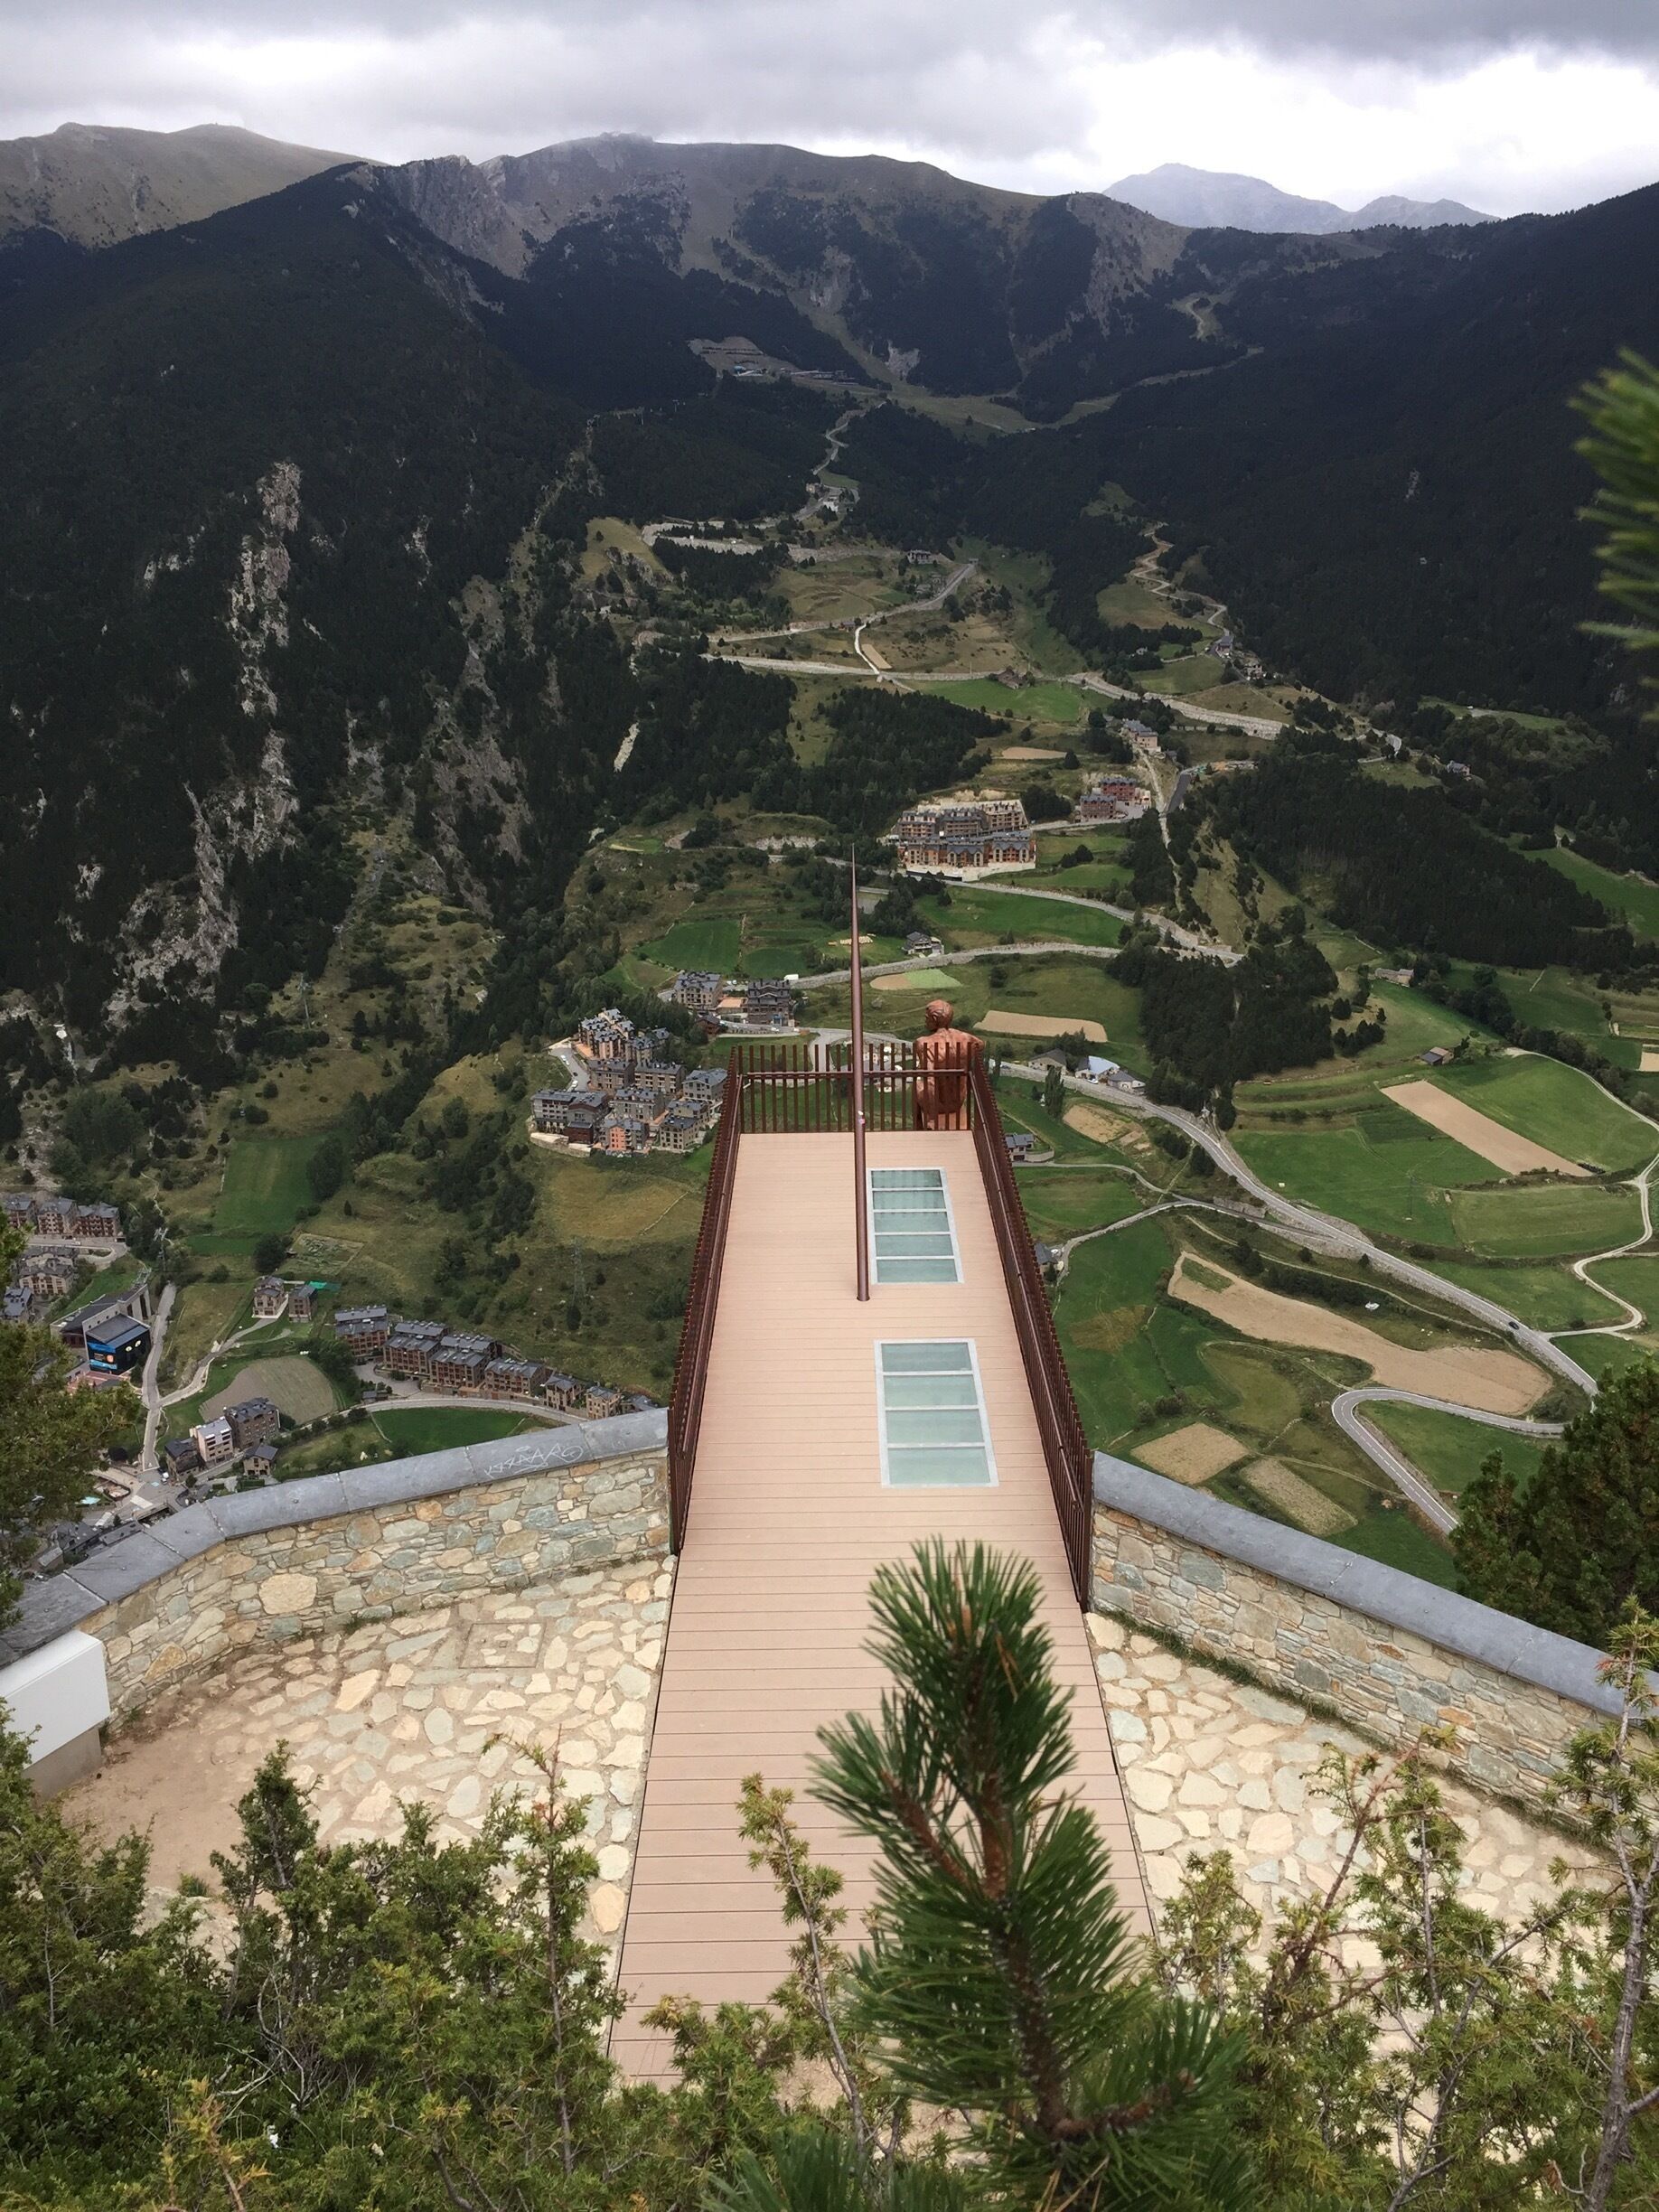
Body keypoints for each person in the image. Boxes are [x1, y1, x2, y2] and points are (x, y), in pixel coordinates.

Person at [914, 998, 981, 1129]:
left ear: (934, 1019)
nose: (925, 1021)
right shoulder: (964, 1038)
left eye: (926, 1017)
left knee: (917, 1083)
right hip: (957, 1101)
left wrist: (932, 1119)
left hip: (938, 1105)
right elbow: (980, 1044)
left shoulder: (924, 1043)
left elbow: (931, 1081)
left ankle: (918, 1125)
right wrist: (963, 1058)